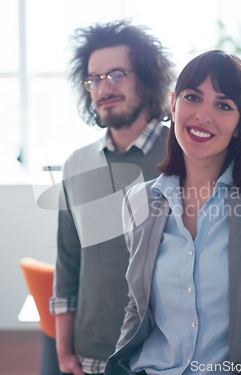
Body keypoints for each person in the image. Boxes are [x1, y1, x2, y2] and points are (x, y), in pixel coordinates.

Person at [104, 50, 241, 375]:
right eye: (193, 98)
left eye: (223, 105)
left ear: (239, 124)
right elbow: (138, 308)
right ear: (174, 104)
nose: (203, 116)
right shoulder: (141, 200)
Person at [50, 21, 174, 375]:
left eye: (116, 75)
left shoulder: (186, 155)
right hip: (91, 355)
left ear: (147, 77)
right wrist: (64, 351)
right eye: (94, 79)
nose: (104, 87)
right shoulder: (76, 164)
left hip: (168, 355)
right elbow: (67, 264)